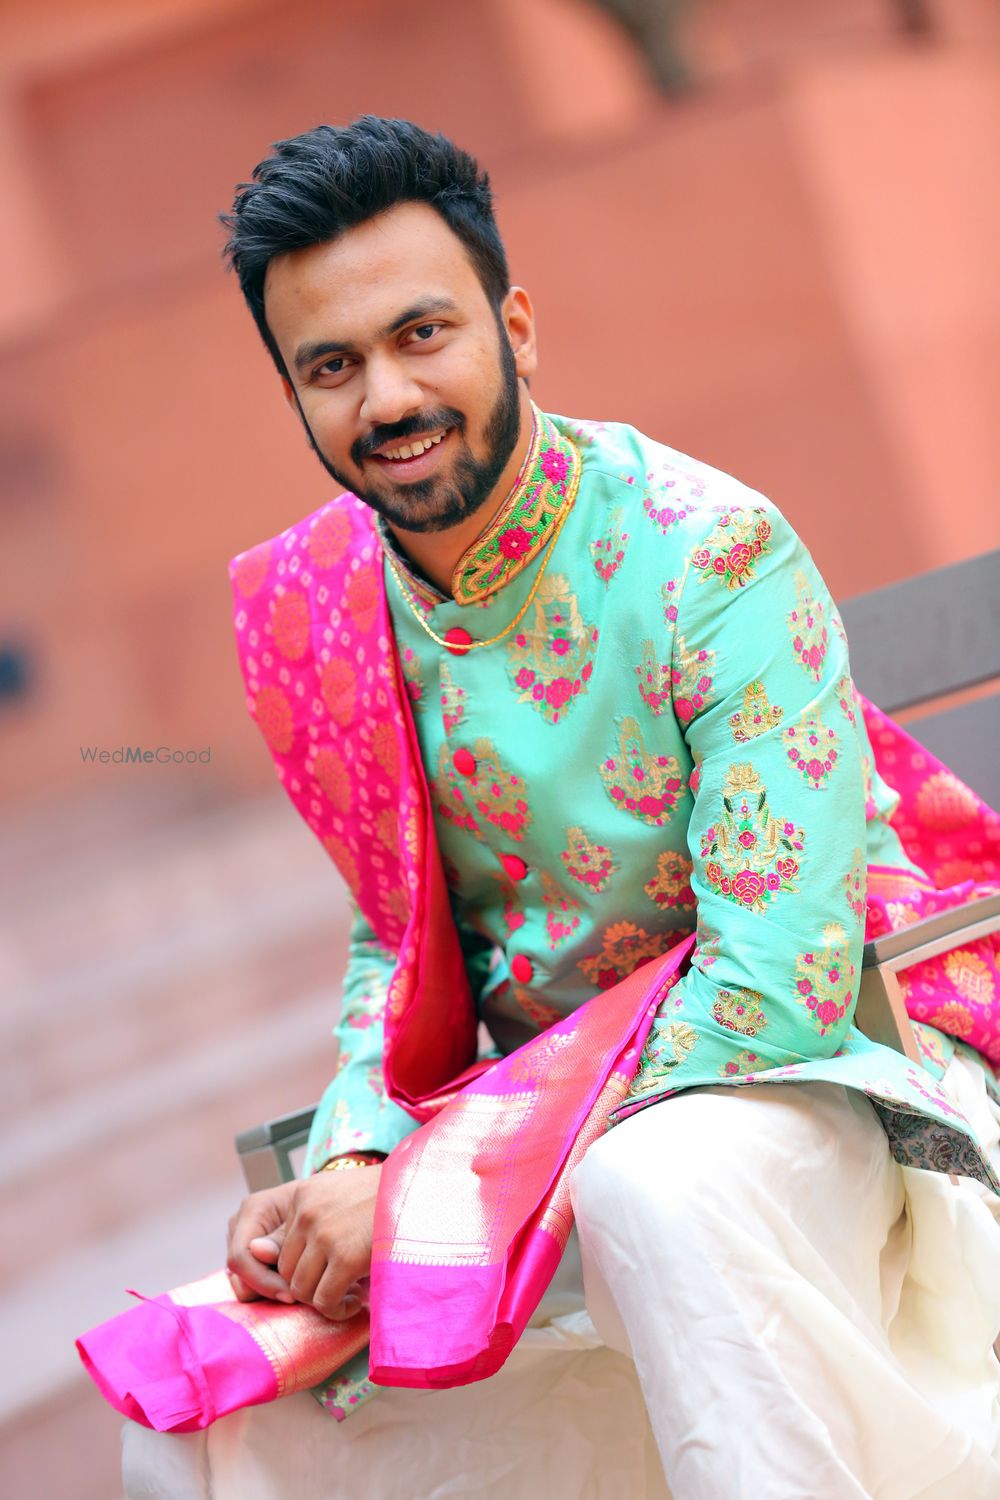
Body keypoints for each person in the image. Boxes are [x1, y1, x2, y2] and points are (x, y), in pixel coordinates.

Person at [124, 117, 1000, 1498]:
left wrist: (421, 1194)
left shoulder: (708, 550)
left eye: (425, 334)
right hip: (523, 1131)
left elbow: (780, 985)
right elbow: (393, 939)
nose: (390, 398)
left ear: (515, 327)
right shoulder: (320, 612)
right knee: (198, 1402)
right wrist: (351, 1154)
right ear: (292, 395)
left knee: (660, 1189)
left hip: (821, 1075)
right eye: (333, 367)